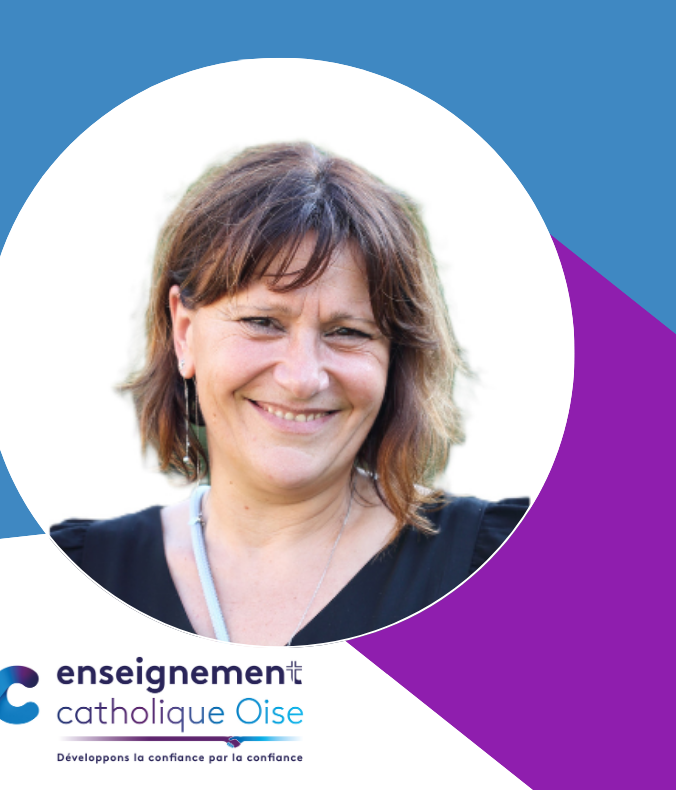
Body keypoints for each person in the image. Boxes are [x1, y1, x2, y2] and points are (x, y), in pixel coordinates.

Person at [51, 142, 527, 646]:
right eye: (263, 322)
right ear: (184, 333)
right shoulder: (72, 579)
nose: (302, 378)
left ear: (395, 358)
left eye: (348, 332)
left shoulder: (503, 564)